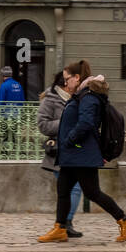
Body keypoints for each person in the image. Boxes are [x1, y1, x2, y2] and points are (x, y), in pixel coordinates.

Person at [37, 60, 126, 243]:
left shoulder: (89, 96)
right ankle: (60, 228)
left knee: (92, 192)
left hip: (81, 154)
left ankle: (125, 220)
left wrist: (69, 140)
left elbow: (86, 123)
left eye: (67, 79)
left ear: (77, 78)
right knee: (63, 189)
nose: (65, 82)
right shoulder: (82, 95)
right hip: (74, 154)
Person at [37, 71, 82, 237]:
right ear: (65, 82)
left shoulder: (75, 98)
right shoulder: (51, 99)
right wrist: (65, 122)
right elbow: (43, 125)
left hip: (74, 150)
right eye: (73, 79)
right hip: (59, 151)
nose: (77, 82)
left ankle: (65, 223)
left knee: (74, 188)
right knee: (72, 188)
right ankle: (64, 224)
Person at [0, 65, 26, 153]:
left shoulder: (4, 85)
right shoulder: (18, 85)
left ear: (3, 76)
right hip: (17, 113)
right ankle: (17, 151)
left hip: (6, 114)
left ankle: (4, 152)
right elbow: (22, 100)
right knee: (15, 133)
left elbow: (1, 101)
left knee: (4, 134)